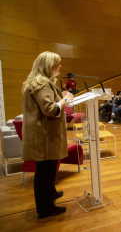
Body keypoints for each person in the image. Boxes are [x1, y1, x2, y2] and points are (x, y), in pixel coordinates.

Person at [21, 51, 74, 219]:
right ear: (48, 66)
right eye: (57, 64)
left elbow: (49, 102)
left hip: (43, 133)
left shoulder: (40, 82)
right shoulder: (43, 83)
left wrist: (61, 97)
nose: (60, 66)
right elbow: (50, 109)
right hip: (43, 133)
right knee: (44, 170)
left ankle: (50, 194)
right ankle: (45, 208)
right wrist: (65, 100)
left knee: (49, 166)